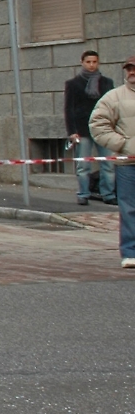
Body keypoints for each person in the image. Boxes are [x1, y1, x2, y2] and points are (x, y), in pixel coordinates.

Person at [88, 55, 135, 270]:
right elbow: (97, 124)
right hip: (127, 164)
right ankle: (130, 252)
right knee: (129, 209)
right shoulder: (114, 97)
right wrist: (123, 144)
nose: (132, 72)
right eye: (129, 69)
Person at [66, 50, 118, 205]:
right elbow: (69, 109)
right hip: (82, 130)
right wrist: (72, 131)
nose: (91, 65)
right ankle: (83, 194)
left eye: (94, 62)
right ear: (82, 62)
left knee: (108, 164)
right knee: (83, 165)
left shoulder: (106, 82)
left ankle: (108, 194)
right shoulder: (73, 84)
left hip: (104, 128)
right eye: (88, 62)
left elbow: (113, 106)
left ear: (98, 62)